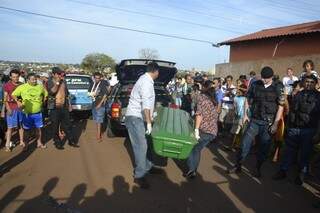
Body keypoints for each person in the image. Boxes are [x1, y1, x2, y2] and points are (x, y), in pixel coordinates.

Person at [227, 66, 285, 177]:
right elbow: (247, 100)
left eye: (266, 78)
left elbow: (281, 106)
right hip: (254, 120)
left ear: (271, 77)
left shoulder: (278, 87)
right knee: (244, 144)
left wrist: (276, 124)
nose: (263, 80)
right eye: (262, 77)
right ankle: (238, 165)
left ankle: (258, 168)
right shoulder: (255, 85)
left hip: (268, 123)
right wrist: (245, 115)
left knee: (264, 148)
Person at [273, 75, 320, 185]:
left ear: (316, 84)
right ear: (303, 83)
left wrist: (318, 133)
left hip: (309, 130)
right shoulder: (298, 94)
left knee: (305, 154)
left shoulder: (319, 97)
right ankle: (283, 171)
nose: (308, 84)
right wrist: (289, 126)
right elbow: (291, 111)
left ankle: (301, 175)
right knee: (288, 152)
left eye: (311, 82)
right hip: (294, 128)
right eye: (307, 81)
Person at [125, 62, 163, 189]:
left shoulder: (145, 80)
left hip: (140, 117)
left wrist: (152, 115)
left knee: (148, 143)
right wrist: (148, 122)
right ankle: (139, 176)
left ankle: (148, 166)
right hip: (136, 118)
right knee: (141, 146)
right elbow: (146, 106)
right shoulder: (146, 82)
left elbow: (148, 104)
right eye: (159, 72)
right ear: (155, 71)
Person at [184, 86, 219, 179]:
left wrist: (196, 130)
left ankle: (192, 170)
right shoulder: (212, 101)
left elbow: (199, 115)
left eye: (191, 94)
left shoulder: (201, 99)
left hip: (204, 131)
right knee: (197, 149)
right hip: (212, 132)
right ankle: (193, 170)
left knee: (191, 148)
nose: (190, 96)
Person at [12, 73, 48, 149]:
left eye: (35, 79)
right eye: (32, 79)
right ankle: (26, 144)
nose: (34, 81)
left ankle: (39, 143)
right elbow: (14, 95)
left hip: (38, 113)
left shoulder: (40, 87)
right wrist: (19, 101)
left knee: (38, 129)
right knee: (27, 130)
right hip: (27, 113)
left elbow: (45, 94)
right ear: (28, 80)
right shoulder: (22, 87)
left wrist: (43, 101)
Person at [47, 67, 78, 150]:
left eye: (60, 73)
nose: (59, 75)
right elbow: (52, 92)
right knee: (55, 126)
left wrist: (70, 105)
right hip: (54, 107)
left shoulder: (63, 81)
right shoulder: (49, 81)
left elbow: (67, 94)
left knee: (68, 125)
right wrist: (57, 82)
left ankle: (71, 141)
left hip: (64, 106)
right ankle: (57, 143)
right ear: (53, 74)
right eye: (57, 73)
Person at [2, 69, 24, 152]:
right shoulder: (7, 85)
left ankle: (21, 141)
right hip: (11, 108)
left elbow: (23, 97)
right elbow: (5, 98)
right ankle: (7, 144)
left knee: (20, 126)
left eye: (17, 77)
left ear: (19, 76)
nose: (15, 78)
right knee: (10, 127)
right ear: (10, 77)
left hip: (20, 109)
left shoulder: (22, 85)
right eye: (14, 77)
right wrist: (8, 108)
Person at [88, 72, 109, 141]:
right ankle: (99, 132)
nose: (97, 79)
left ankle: (98, 135)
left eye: (98, 78)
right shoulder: (92, 84)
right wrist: (93, 94)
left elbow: (105, 94)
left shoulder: (102, 84)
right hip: (94, 104)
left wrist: (100, 104)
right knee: (96, 120)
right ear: (93, 78)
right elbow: (88, 93)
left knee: (99, 120)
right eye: (96, 78)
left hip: (100, 105)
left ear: (100, 78)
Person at [228, 84, 247, 150]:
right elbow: (235, 107)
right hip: (237, 117)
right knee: (234, 132)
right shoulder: (235, 98)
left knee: (240, 133)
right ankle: (232, 146)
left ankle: (237, 146)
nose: (238, 91)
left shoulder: (246, 98)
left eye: (239, 90)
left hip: (243, 118)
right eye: (238, 90)